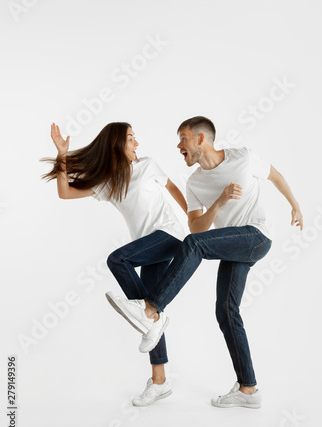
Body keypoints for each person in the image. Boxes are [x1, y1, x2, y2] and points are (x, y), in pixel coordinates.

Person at [106, 116, 304, 409]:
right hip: (232, 245)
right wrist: (220, 203)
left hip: (257, 235)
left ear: (201, 139)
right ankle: (248, 388)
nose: (178, 146)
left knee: (194, 247)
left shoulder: (244, 158)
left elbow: (274, 175)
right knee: (225, 310)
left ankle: (151, 310)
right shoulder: (195, 182)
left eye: (183, 139)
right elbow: (197, 228)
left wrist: (295, 205)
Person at [41, 122, 187, 407]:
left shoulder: (148, 165)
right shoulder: (109, 181)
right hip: (148, 247)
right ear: (116, 144)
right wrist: (62, 154)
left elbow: (173, 189)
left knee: (117, 259)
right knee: (148, 309)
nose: (137, 143)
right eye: (131, 138)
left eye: (135, 137)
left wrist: (194, 218)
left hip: (170, 235)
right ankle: (160, 380)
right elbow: (65, 192)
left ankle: (151, 319)